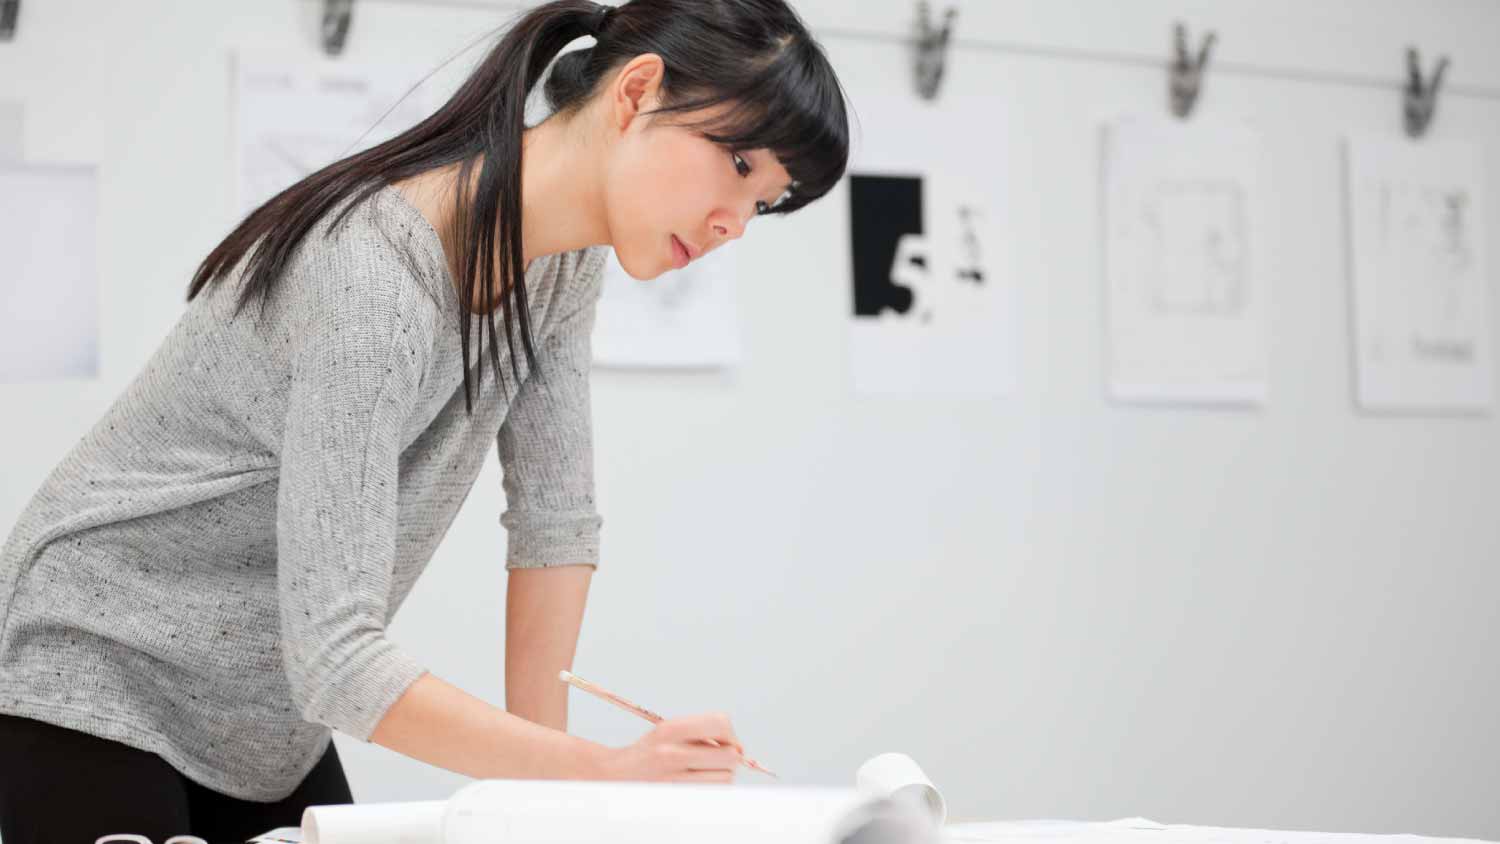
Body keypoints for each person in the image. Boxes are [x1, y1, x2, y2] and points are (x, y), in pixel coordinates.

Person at [0, 0, 850, 839]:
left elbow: (554, 524)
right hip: (94, 665)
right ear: (635, 93)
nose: (735, 224)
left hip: (263, 716)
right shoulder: (372, 275)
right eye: (740, 167)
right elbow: (340, 659)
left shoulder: (562, 270)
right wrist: (600, 771)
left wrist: (555, 798)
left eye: (766, 204)